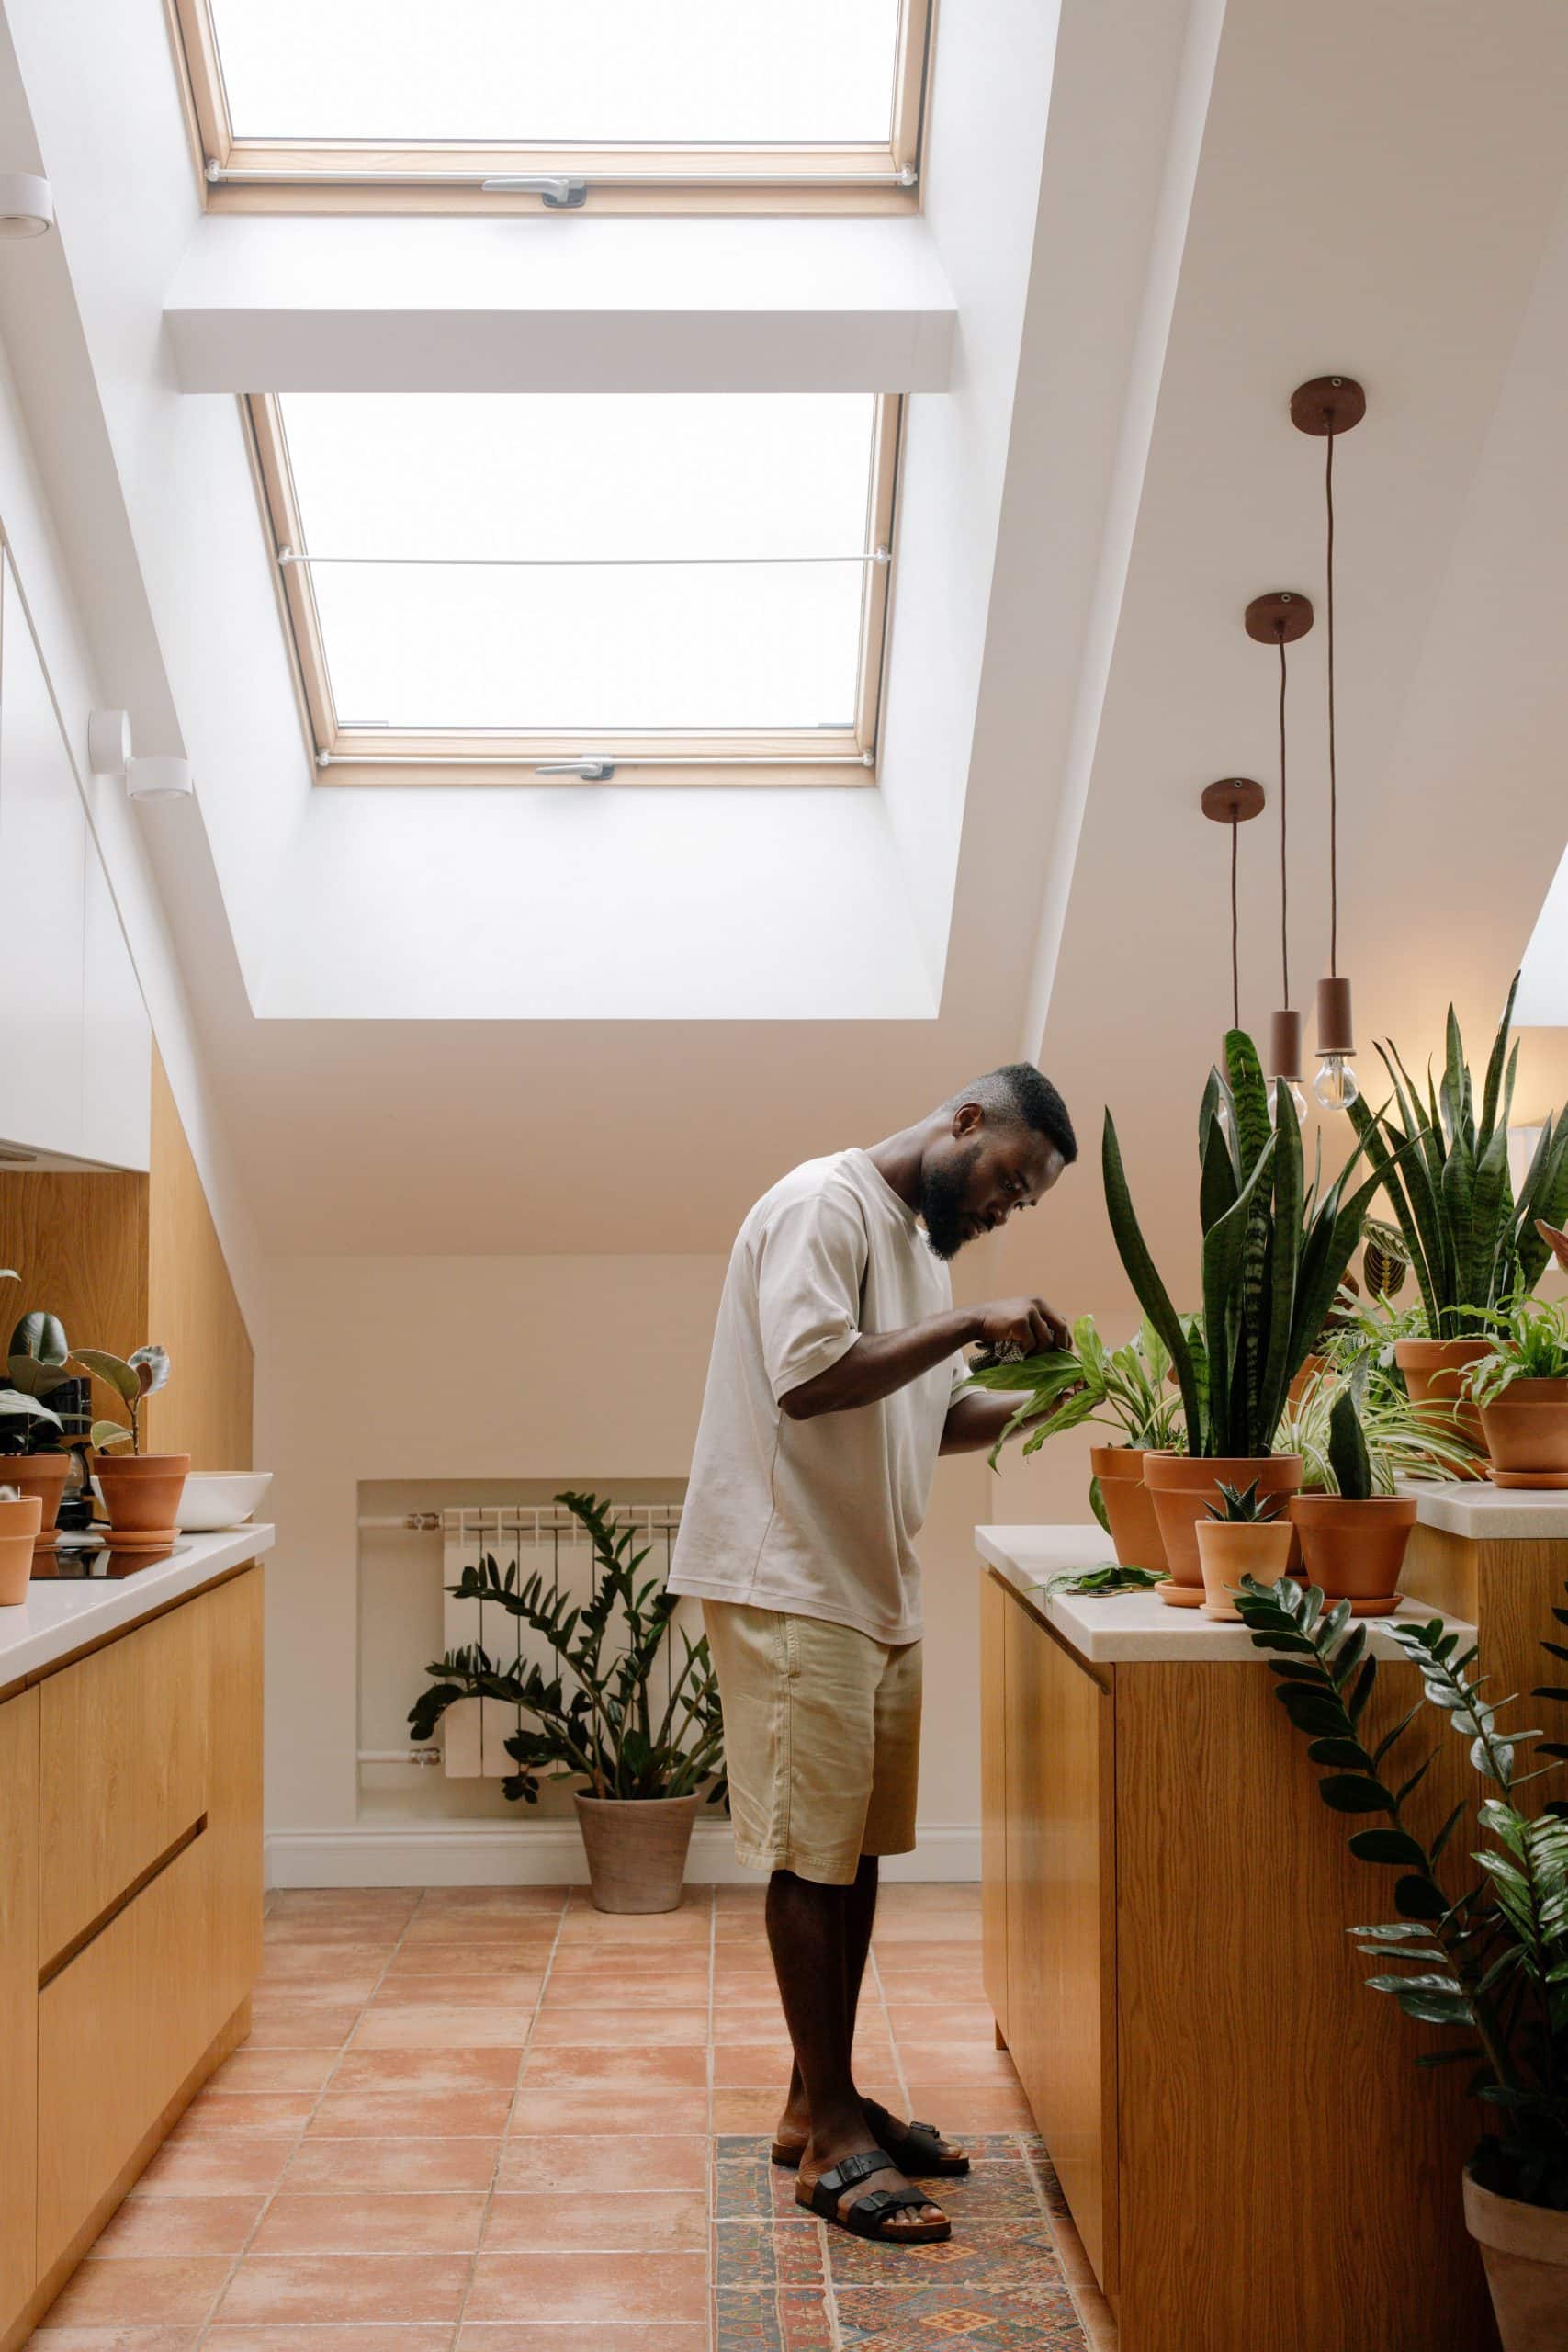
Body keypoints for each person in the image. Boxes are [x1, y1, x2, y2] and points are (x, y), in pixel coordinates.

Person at [668, 1064, 1076, 2246]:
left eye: (1026, 1201)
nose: (1009, 1207)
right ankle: (832, 2135)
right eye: (1011, 1179)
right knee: (811, 1853)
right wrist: (967, 1322)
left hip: (867, 1583)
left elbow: (929, 1415)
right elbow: (808, 1380)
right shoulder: (822, 1205)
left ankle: (820, 2098)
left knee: (853, 1849)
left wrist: (1061, 1391)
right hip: (789, 1573)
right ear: (965, 1121)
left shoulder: (920, 1248)